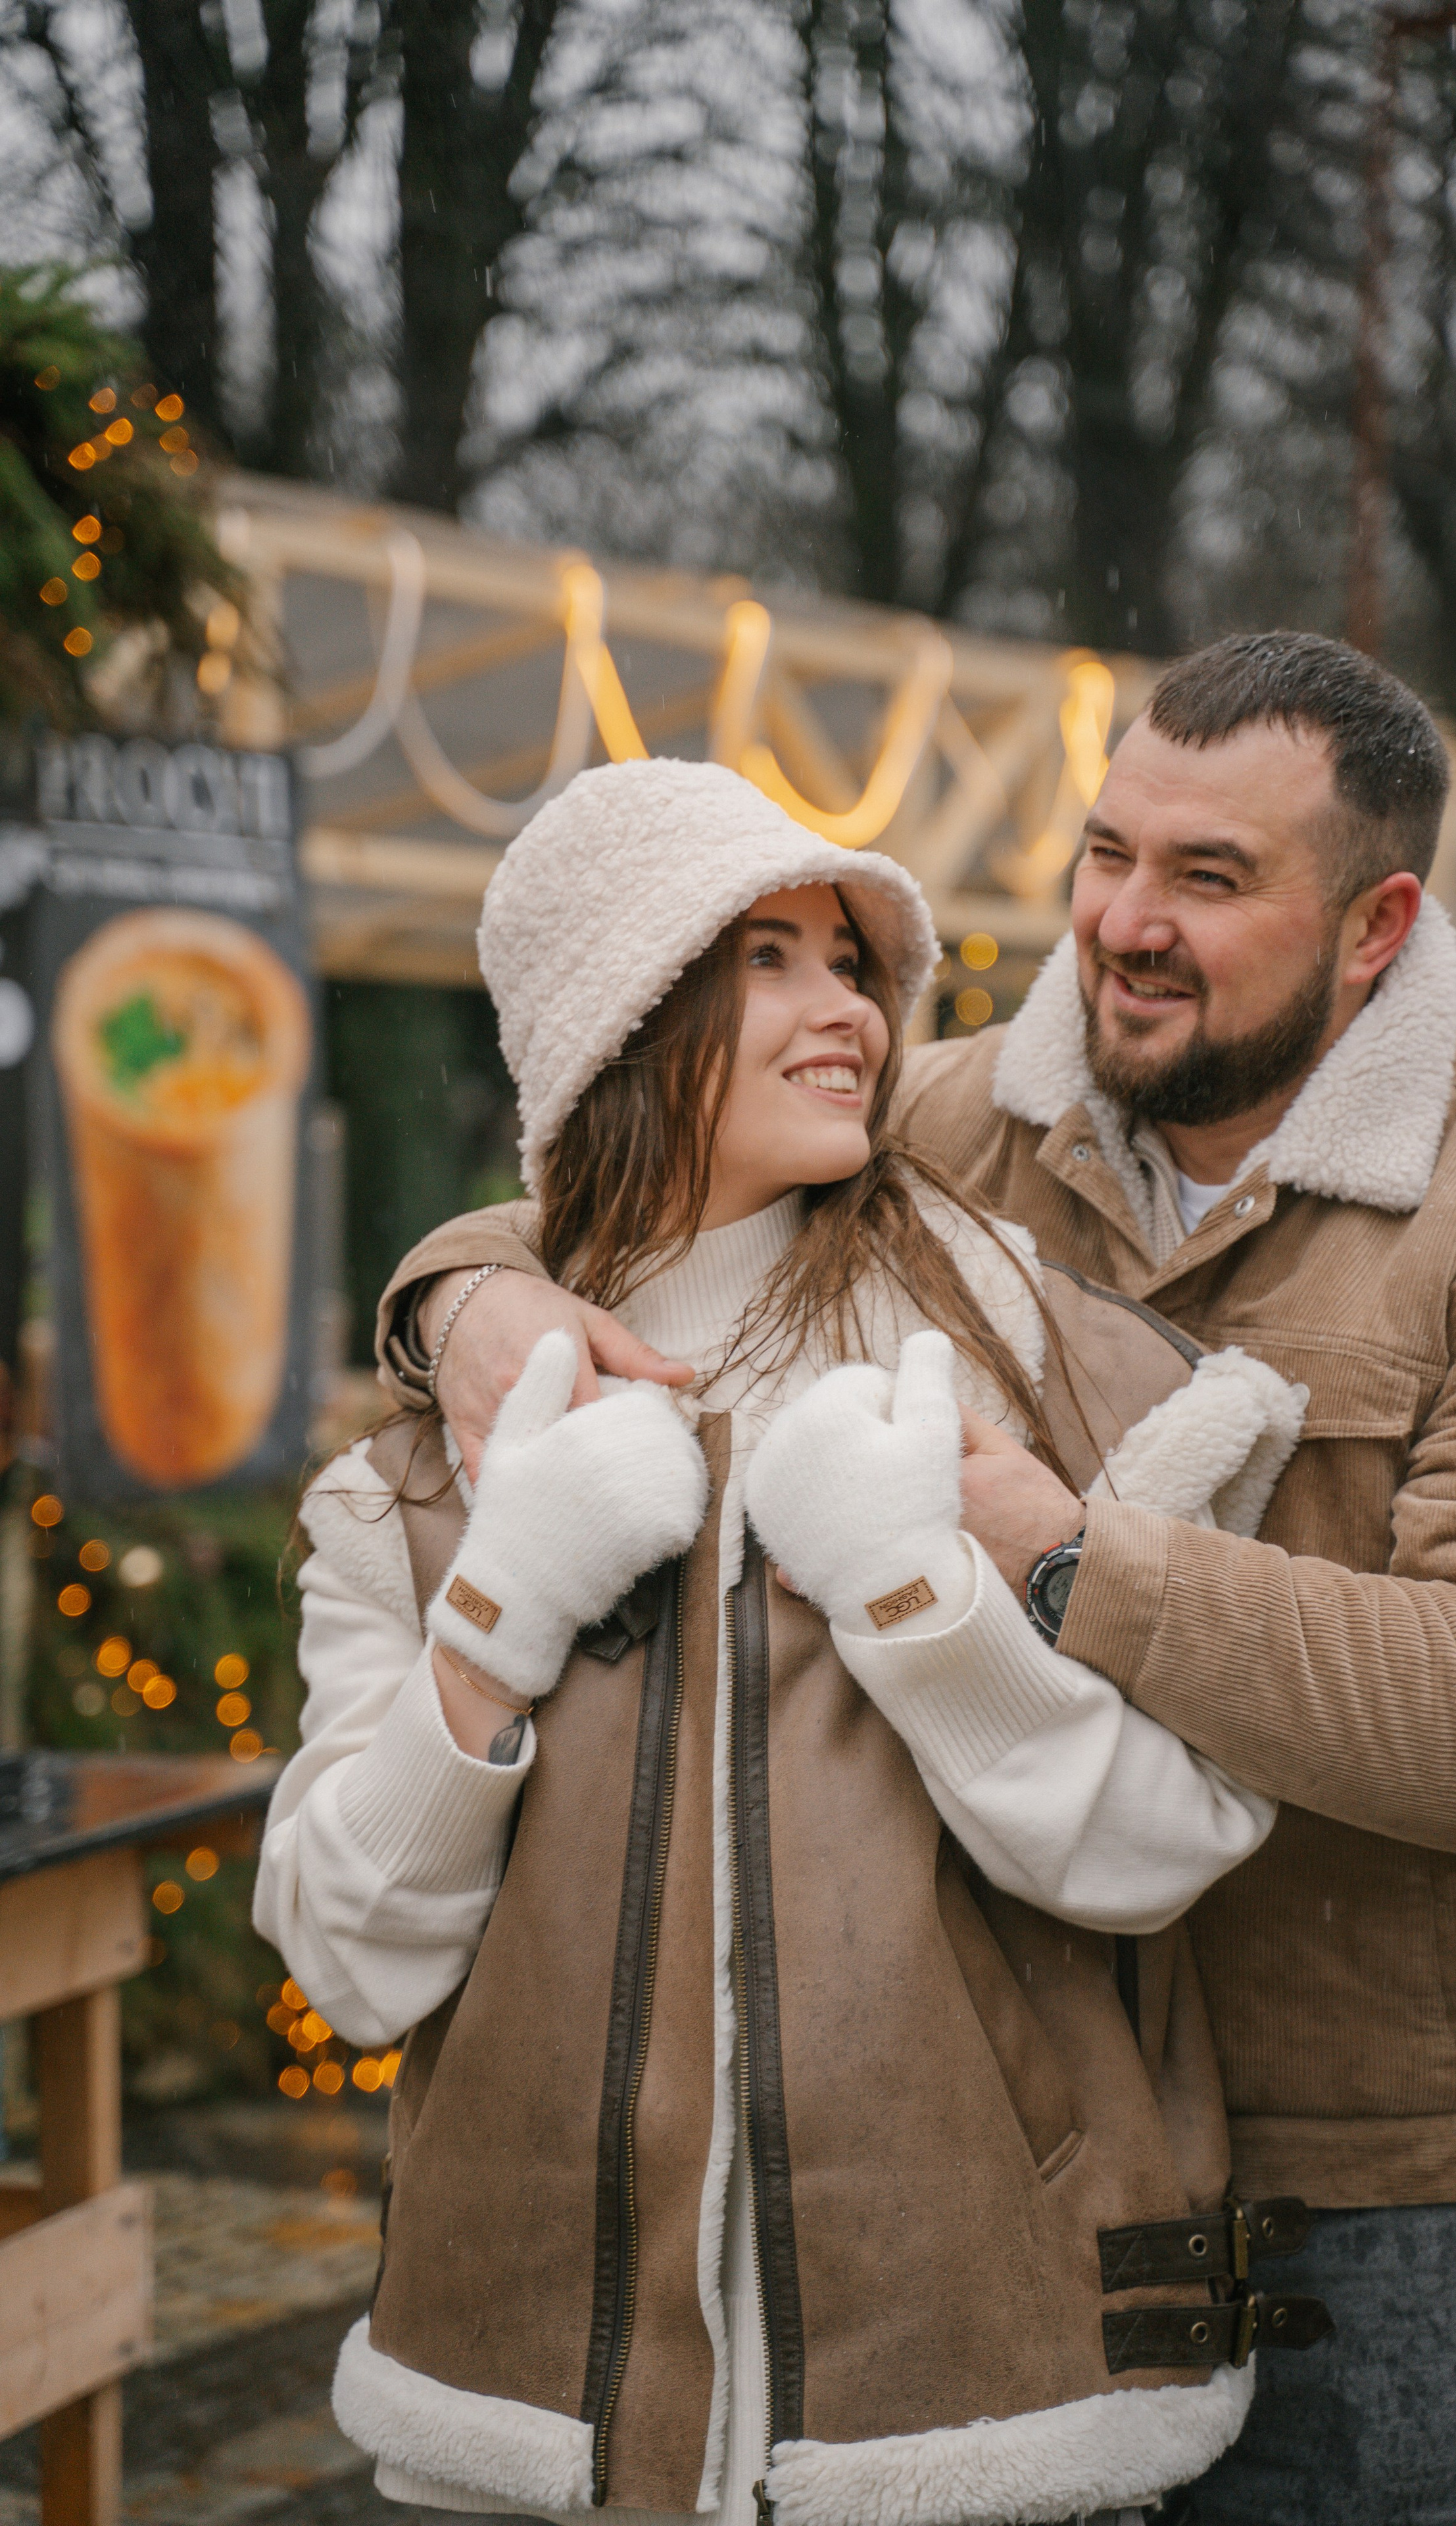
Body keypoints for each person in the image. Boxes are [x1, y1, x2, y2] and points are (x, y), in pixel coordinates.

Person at [386, 635, 1456, 2526]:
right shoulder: (945, 1123)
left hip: (1381, 2201)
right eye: (1106, 853)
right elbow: (635, 1159)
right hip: (1017, 2166)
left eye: (1210, 880)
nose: (1124, 926)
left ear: (1377, 923)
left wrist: (1062, 1551)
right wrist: (463, 1290)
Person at [255, 757, 1329, 2526]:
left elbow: (1164, 1847)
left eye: (850, 965)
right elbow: (350, 1965)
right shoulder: (425, 1482)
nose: (845, 1008)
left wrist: (917, 1594)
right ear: (620, 1023)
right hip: (543, 2448)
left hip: (971, 2431)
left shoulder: (1021, 1382)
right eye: (767, 958)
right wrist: (499, 1609)